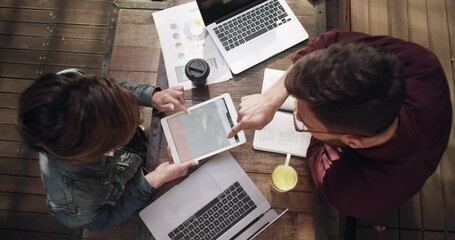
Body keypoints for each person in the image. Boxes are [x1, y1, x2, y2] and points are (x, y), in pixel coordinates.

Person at [228, 30, 452, 218]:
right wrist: (272, 97)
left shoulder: (353, 191)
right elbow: (330, 41)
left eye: (304, 122)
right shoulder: (419, 64)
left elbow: (316, 154)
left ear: (352, 141)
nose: (296, 112)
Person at [18, 68, 197, 231]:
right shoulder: (73, 202)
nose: (140, 121)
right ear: (102, 147)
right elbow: (104, 221)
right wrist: (152, 180)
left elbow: (109, 90)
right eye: (125, 129)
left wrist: (150, 97)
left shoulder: (68, 85)